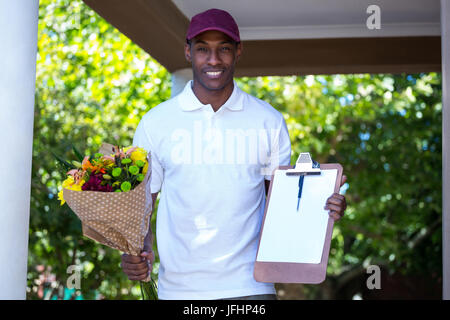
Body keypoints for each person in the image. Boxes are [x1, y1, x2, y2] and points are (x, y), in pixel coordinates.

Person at [120, 8, 347, 300]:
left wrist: (322, 209)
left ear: (239, 51)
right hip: (179, 291)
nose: (213, 60)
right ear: (188, 52)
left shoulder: (268, 120)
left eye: (224, 49)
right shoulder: (156, 122)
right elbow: (142, 204)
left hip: (251, 287)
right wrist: (138, 250)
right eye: (203, 50)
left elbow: (284, 207)